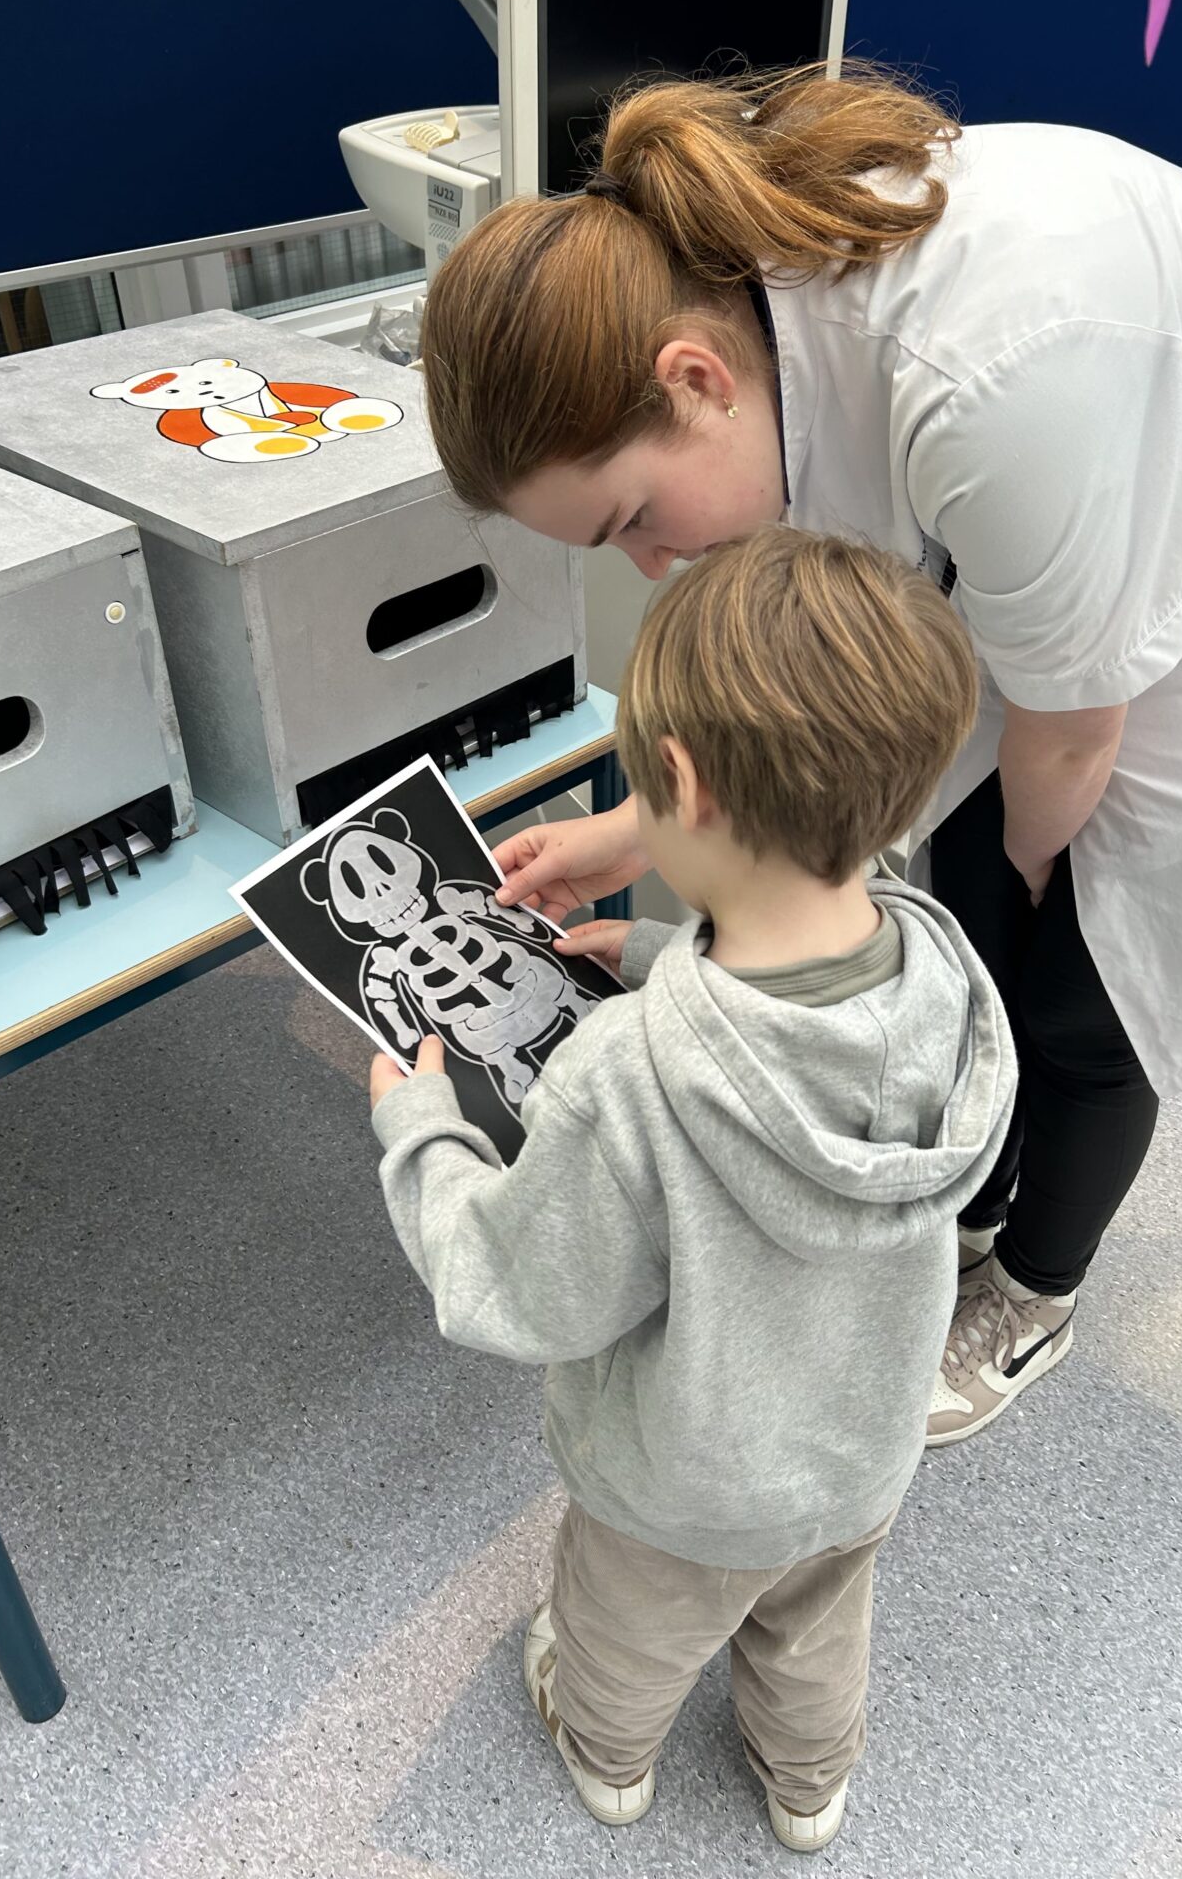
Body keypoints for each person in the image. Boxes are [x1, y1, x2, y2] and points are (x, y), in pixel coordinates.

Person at [421, 65, 1182, 1443]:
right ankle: (973, 1197)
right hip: (1042, 524)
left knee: (1082, 988)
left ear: (691, 380)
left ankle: (1035, 1294)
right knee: (963, 924)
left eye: (632, 518)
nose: (650, 567)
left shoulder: (996, 363)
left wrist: (1038, 874)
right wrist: (634, 832)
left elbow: (1071, 728)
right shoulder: (737, 312)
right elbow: (825, 670)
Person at [368, 526, 1015, 1849]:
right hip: (863, 1451)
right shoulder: (948, 983)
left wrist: (422, 1131)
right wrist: (669, 948)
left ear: (674, 779)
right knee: (817, 1624)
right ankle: (807, 1788)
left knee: (624, 1628)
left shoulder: (632, 1073)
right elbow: (813, 1025)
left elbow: (515, 1289)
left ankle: (606, 1756)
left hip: (685, 1485)